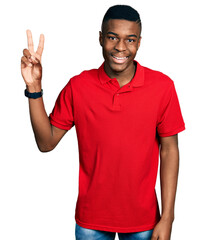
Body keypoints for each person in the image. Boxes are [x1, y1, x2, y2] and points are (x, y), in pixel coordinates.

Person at [21, 5, 185, 240]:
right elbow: (46, 143)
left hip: (145, 221)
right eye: (112, 37)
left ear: (139, 42)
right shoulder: (79, 86)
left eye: (130, 39)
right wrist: (34, 88)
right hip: (91, 221)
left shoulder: (162, 87)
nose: (120, 47)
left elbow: (170, 150)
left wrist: (168, 217)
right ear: (100, 38)